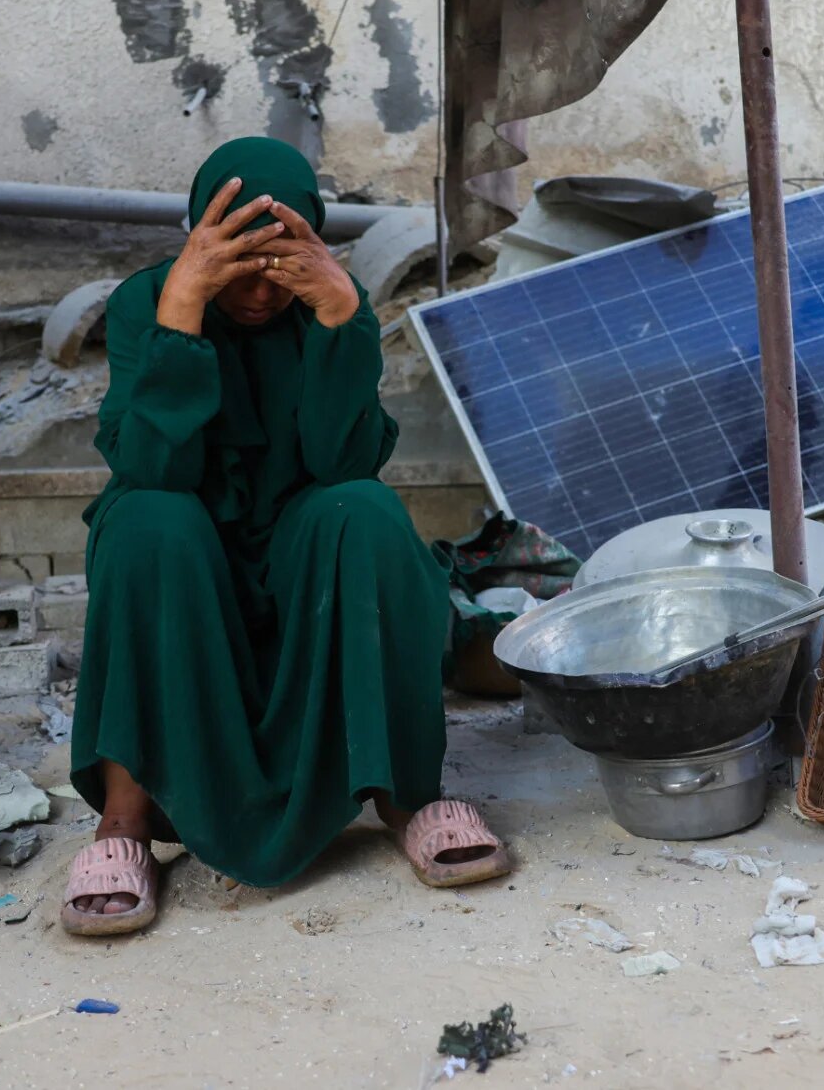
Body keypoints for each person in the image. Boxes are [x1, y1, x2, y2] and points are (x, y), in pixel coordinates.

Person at [61, 136, 510, 936]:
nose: (262, 292)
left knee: (364, 510)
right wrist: (182, 312)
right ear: (202, 239)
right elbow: (153, 466)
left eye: (279, 264)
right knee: (145, 522)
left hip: (303, 555)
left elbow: (344, 462)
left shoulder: (325, 296)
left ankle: (407, 797)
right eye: (241, 265)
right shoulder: (148, 300)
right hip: (190, 556)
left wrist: (339, 317)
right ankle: (123, 822)